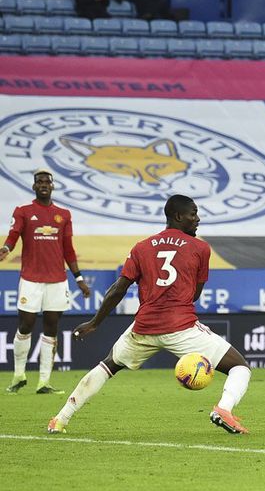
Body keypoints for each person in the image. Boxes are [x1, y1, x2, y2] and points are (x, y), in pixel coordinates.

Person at [47, 195, 252, 435]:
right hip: (181, 327)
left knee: (107, 366)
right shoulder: (200, 248)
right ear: (177, 216)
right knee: (240, 368)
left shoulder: (142, 247)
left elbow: (118, 289)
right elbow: (194, 295)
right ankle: (223, 409)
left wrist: (95, 322)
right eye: (193, 214)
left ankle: (60, 419)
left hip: (143, 328)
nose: (197, 219)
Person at [2, 169, 91, 394]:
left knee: (51, 327)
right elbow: (13, 235)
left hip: (57, 280)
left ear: (52, 186)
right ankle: (18, 376)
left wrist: (78, 278)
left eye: (47, 182)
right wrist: (5, 248)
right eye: (39, 181)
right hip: (31, 279)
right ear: (33, 186)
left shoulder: (64, 214)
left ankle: (44, 382)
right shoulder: (23, 211)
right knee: (26, 324)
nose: (43, 184)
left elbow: (68, 250)